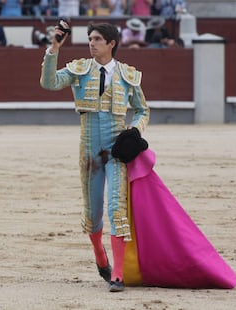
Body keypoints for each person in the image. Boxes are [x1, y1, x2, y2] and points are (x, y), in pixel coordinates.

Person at [40, 21, 150, 292]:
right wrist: (54, 48)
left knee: (116, 209)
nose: (92, 43)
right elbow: (49, 83)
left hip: (116, 152)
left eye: (98, 39)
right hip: (90, 153)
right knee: (93, 214)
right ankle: (101, 255)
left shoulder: (127, 75)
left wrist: (134, 130)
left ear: (111, 43)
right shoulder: (80, 70)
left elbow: (142, 110)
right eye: (90, 38)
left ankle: (118, 275)